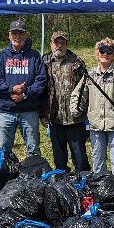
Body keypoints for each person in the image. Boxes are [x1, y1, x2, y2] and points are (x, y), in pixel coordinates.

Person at [71, 38, 114, 186]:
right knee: (98, 161)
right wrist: (75, 108)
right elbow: (78, 94)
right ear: (97, 53)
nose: (105, 54)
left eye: (109, 51)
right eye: (102, 50)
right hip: (96, 126)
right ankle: (101, 190)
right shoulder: (90, 75)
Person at [0, 20, 47, 156]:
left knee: (33, 149)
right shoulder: (2, 56)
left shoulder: (34, 56)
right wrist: (12, 89)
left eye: (21, 33)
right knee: (4, 150)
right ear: (9, 35)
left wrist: (25, 93)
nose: (18, 36)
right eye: (14, 33)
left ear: (26, 35)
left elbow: (41, 81)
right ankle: (4, 175)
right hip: (7, 111)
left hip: (29, 110)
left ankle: (34, 175)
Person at [41, 30, 91, 173]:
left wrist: (83, 109)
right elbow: (41, 90)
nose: (59, 46)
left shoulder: (77, 61)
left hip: (74, 118)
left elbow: (86, 88)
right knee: (59, 155)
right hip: (54, 117)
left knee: (79, 154)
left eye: (62, 43)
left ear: (67, 44)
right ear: (51, 44)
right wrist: (43, 114)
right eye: (56, 42)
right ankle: (62, 180)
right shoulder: (44, 62)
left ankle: (84, 179)